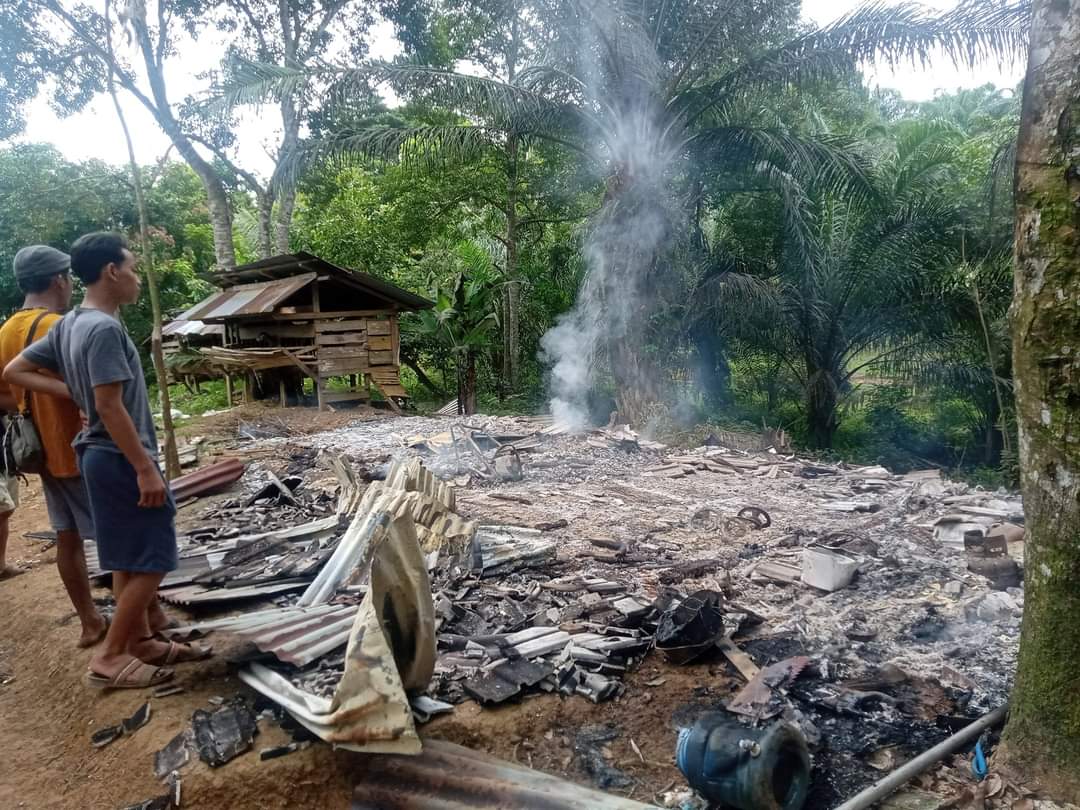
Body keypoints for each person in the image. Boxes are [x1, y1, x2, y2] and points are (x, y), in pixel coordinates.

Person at [5, 233, 208, 689]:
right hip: (118, 456)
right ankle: (111, 656)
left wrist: (72, 393)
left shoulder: (70, 323)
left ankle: (141, 642)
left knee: (124, 559)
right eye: (132, 268)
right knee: (155, 558)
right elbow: (111, 405)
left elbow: (13, 371)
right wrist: (143, 467)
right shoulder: (101, 329)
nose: (137, 278)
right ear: (112, 272)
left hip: (94, 455)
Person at [0, 246, 109, 645]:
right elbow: (97, 391)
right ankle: (143, 624)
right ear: (60, 280)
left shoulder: (7, 330)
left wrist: (34, 402)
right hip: (79, 450)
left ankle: (89, 621)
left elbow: (5, 394)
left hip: (40, 454)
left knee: (67, 536)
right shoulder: (59, 328)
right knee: (115, 533)